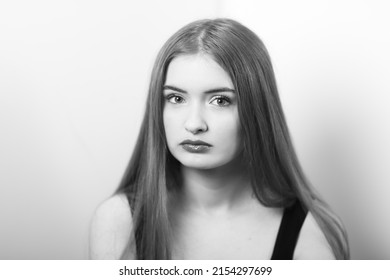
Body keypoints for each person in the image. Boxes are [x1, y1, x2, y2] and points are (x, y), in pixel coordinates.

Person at [89, 18, 350, 260]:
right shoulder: (119, 222)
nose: (194, 124)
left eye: (220, 100)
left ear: (257, 110)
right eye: (176, 98)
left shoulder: (311, 232)